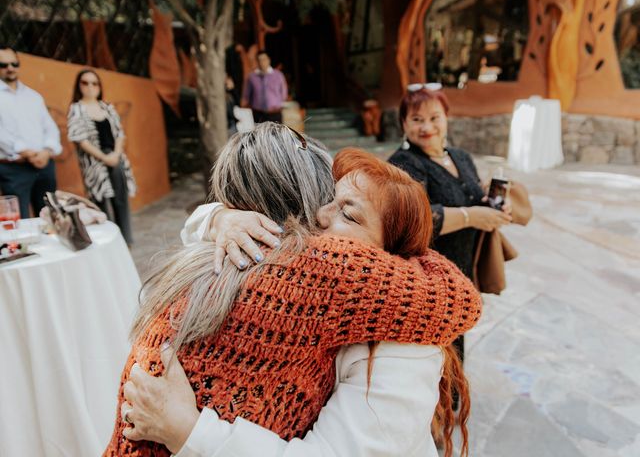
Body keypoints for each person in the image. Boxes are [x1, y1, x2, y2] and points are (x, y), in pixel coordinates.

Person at [103, 123, 481, 456]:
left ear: (390, 252)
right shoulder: (279, 274)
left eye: (348, 214)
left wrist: (188, 430)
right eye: (328, 198)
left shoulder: (399, 332)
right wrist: (218, 217)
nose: (320, 215)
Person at [388, 86, 513, 371]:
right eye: (417, 119)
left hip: (464, 269)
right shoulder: (403, 164)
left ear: (447, 117)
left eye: (434, 117)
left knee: (457, 343)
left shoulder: (461, 156)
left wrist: (492, 207)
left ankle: (453, 404)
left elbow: (473, 195)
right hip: (429, 277)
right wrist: (471, 216)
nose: (427, 127)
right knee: (433, 352)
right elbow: (411, 218)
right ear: (404, 124)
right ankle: (436, 410)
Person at [67, 69, 136, 245]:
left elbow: (120, 134)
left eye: (94, 83)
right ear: (79, 85)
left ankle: (126, 240)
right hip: (94, 164)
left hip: (116, 158)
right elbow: (81, 140)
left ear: (99, 86)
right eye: (85, 82)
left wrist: (115, 156)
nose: (90, 87)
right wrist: (105, 159)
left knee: (121, 200)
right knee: (101, 203)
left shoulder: (107, 107)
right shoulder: (76, 109)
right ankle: (108, 242)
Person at [0, 45, 62, 218]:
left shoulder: (33, 96)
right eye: (3, 65)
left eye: (14, 63)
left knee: (51, 219)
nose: (10, 68)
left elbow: (50, 128)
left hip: (44, 166)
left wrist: (47, 151)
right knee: (20, 225)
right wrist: (26, 152)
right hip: (14, 170)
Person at [242, 51, 287, 123]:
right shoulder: (252, 77)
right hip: (258, 114)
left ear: (269, 60)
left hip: (275, 113)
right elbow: (247, 95)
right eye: (259, 60)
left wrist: (278, 104)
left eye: (264, 59)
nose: (262, 62)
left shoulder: (278, 75)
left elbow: (284, 93)